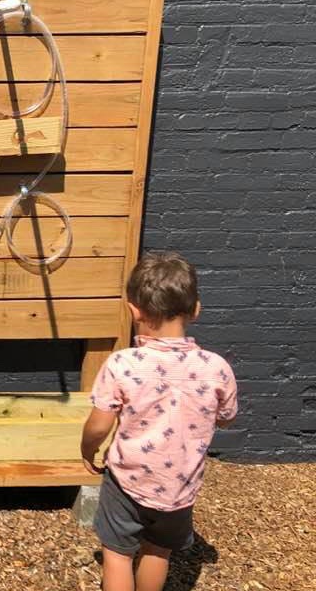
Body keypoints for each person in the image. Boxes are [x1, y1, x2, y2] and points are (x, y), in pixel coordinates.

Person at [81, 251, 238, 591]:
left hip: (126, 481)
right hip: (179, 486)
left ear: (133, 309)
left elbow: (98, 425)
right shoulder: (217, 369)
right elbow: (226, 418)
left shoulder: (122, 364)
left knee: (118, 554)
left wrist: (87, 448)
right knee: (158, 551)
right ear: (195, 309)